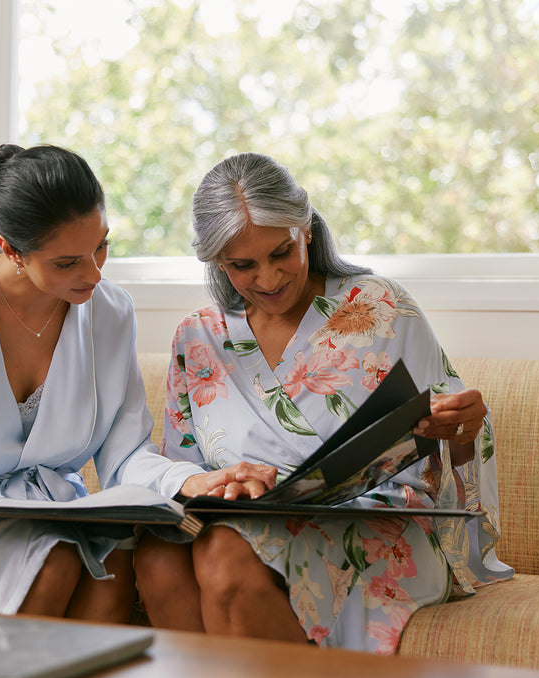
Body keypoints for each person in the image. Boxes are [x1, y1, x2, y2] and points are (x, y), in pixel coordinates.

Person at [0, 144, 275, 622]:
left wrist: (193, 480)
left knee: (115, 557)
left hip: (53, 519)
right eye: (67, 262)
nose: (95, 273)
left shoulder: (111, 313)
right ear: (12, 250)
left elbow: (125, 457)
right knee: (55, 561)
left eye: (102, 246)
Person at [134, 152, 513, 651]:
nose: (268, 280)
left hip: (379, 522)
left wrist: (463, 425)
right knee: (158, 554)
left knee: (225, 551)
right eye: (242, 266)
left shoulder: (379, 306)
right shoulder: (198, 336)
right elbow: (183, 473)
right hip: (248, 523)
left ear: (306, 229)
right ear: (215, 261)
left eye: (281, 253)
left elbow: (451, 437)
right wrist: (223, 486)